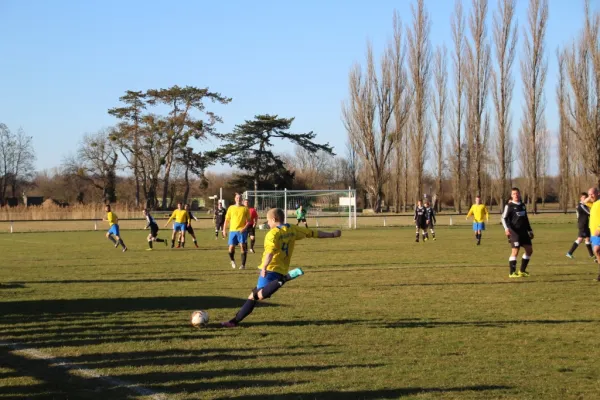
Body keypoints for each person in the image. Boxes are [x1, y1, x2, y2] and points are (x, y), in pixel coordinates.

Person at [220, 208, 342, 328]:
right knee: (253, 296)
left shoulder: (273, 234)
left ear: (274, 219)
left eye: (268, 221)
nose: (268, 223)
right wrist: (332, 234)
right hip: (281, 268)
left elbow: (270, 253)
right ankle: (234, 322)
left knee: (259, 295)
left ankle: (284, 279)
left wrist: (264, 267)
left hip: (271, 269)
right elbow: (312, 233)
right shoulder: (292, 229)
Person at [502, 188, 533, 278]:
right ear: (511, 195)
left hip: (524, 232)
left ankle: (521, 271)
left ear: (519, 194)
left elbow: (526, 219)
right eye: (514, 194)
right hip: (514, 232)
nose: (516, 195)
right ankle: (512, 273)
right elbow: (503, 218)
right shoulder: (509, 206)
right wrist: (506, 229)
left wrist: (530, 230)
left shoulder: (523, 205)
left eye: (517, 193)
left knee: (529, 250)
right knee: (515, 251)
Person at [223, 193, 251, 269]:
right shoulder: (231, 208)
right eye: (237, 198)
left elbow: (249, 221)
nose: (238, 199)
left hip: (242, 231)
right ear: (235, 199)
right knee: (231, 248)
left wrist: (244, 228)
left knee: (243, 246)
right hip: (232, 231)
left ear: (241, 199)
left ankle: (243, 265)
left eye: (240, 198)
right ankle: (232, 260)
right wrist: (224, 230)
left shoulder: (245, 208)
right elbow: (226, 220)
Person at [566, 192, 595, 260]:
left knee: (587, 239)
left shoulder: (585, 205)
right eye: (584, 198)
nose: (585, 199)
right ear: (581, 198)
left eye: (586, 198)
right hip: (582, 224)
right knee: (580, 239)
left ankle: (591, 255)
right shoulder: (581, 206)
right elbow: (589, 213)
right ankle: (569, 253)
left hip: (586, 224)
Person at [586, 188, 600, 281]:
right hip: (593, 233)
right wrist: (590, 196)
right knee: (598, 253)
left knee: (597, 250)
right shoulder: (594, 203)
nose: (590, 196)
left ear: (598, 193)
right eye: (589, 194)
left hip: (598, 232)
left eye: (592, 194)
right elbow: (584, 202)